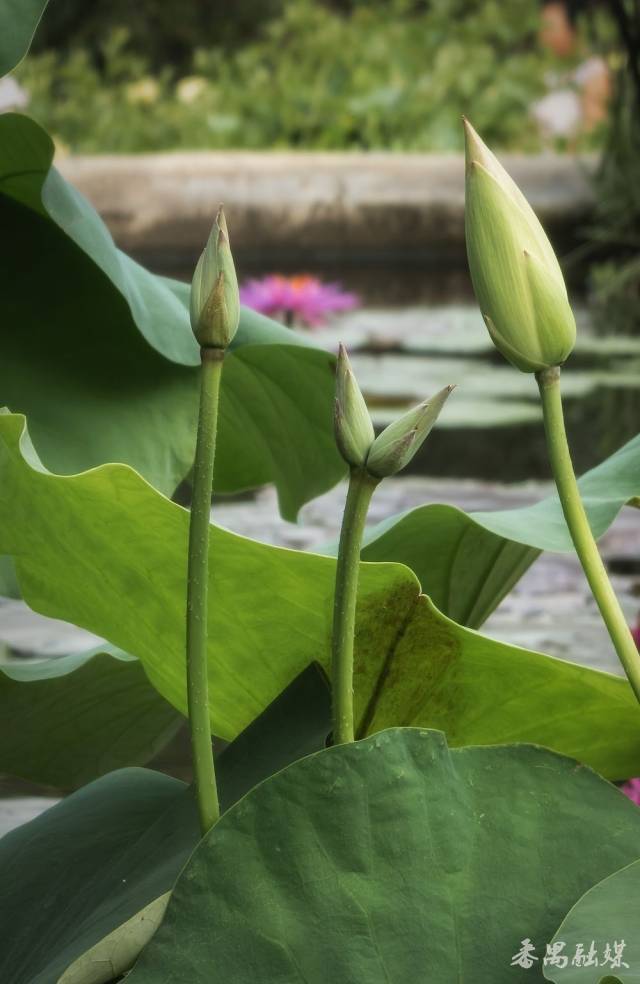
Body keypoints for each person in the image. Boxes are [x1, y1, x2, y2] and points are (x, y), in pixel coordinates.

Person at [533, 1, 611, 142]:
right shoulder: (546, 73)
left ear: (574, 28)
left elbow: (594, 131)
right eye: (542, 28)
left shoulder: (593, 71)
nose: (544, 36)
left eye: (551, 28)